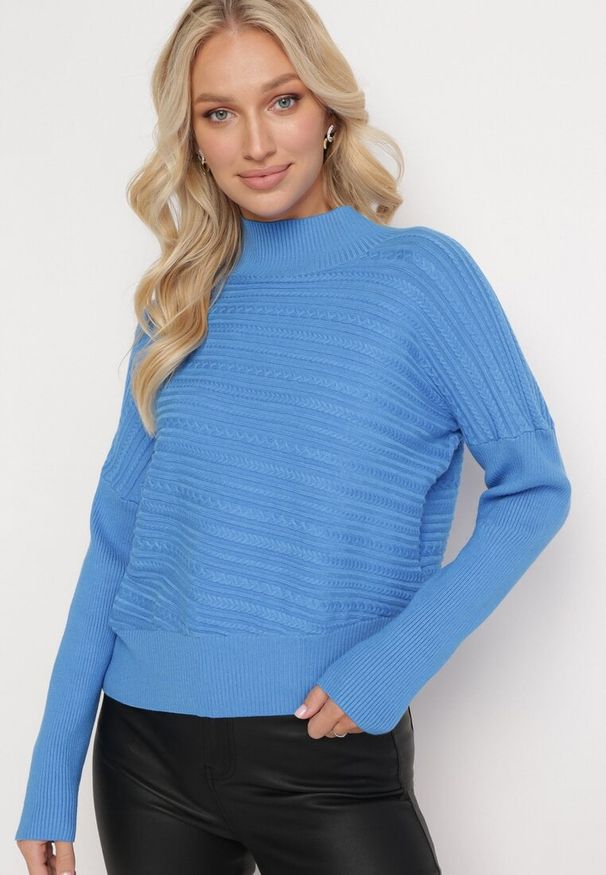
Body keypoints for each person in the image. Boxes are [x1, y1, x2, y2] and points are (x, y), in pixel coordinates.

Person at [15, 1, 572, 873]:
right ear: (193, 138)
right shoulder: (179, 303)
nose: (256, 144)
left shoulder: (420, 278)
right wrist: (51, 772)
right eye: (219, 113)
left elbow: (533, 489)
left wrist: (388, 666)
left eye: (282, 101)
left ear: (327, 109)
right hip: (144, 756)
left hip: (327, 746)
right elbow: (117, 538)